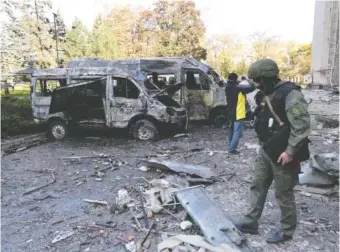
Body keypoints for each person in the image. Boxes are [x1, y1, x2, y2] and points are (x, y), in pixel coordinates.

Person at [236, 59, 311, 244]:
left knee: (283, 193)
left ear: (268, 77)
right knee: (257, 185)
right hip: (266, 149)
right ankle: (250, 222)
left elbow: (301, 127)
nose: (257, 84)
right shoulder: (265, 94)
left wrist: (290, 152)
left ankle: (286, 231)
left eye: (259, 80)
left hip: (283, 152)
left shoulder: (290, 94)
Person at [225, 72, 255, 154]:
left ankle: (230, 146)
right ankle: (232, 149)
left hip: (230, 111)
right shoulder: (238, 88)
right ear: (236, 79)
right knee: (238, 132)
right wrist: (249, 80)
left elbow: (235, 84)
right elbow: (252, 87)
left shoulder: (227, 86)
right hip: (238, 112)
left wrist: (239, 82)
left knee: (231, 129)